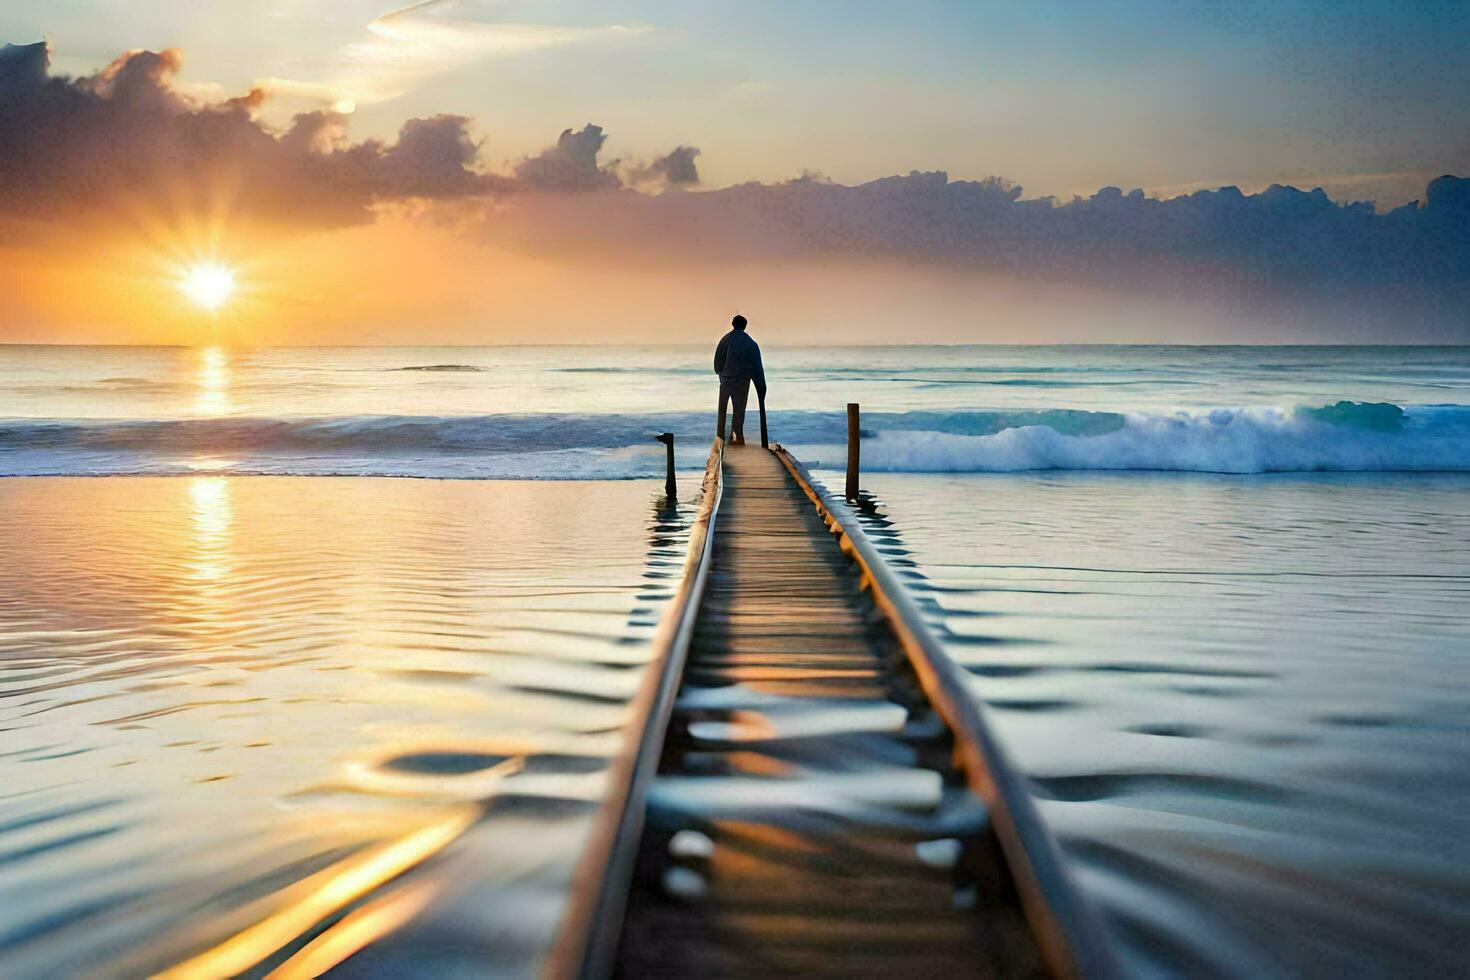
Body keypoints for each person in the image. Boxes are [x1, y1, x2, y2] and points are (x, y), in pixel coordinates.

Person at [713, 314, 766, 444]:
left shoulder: (725, 340)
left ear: (733, 324)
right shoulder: (750, 343)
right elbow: (756, 366)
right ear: (745, 326)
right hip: (741, 382)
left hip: (725, 380)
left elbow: (716, 364)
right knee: (739, 409)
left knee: (723, 410)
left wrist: (722, 373)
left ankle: (722, 437)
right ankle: (739, 434)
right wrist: (761, 386)